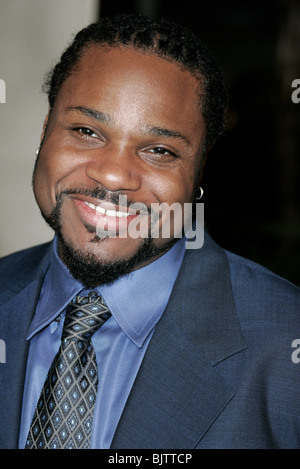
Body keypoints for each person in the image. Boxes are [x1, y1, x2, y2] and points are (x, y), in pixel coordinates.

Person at [0, 13, 299, 450]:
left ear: (200, 167)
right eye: (86, 131)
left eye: (159, 150)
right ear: (46, 131)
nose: (114, 175)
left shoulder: (284, 347)